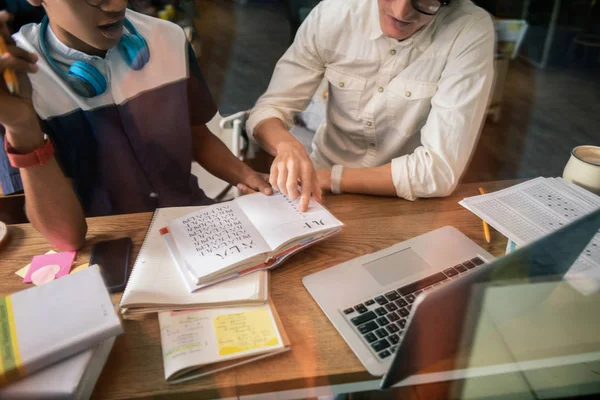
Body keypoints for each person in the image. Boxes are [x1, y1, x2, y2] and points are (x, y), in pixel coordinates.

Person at [0, 0, 271, 250]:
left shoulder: (167, 37)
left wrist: (250, 178)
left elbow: (197, 136)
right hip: (109, 246)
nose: (117, 3)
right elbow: (65, 238)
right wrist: (23, 128)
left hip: (193, 224)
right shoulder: (13, 83)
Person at [246, 0, 495, 211]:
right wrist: (287, 145)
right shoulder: (335, 12)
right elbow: (271, 107)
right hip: (319, 185)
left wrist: (328, 178)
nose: (400, 12)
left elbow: (439, 171)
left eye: (423, 1)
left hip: (409, 198)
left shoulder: (468, 29)